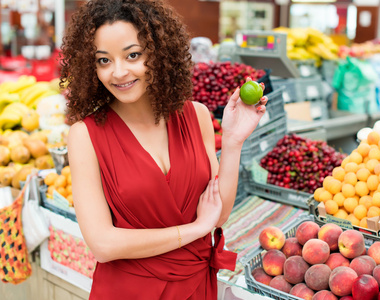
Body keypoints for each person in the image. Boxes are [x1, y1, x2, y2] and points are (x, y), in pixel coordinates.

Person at [61, 0, 268, 299]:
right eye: (103, 60)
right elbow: (103, 245)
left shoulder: (196, 116)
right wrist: (196, 230)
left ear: (158, 53)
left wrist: (234, 142)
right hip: (128, 290)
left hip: (197, 286)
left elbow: (217, 215)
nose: (118, 72)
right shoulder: (85, 136)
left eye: (133, 55)